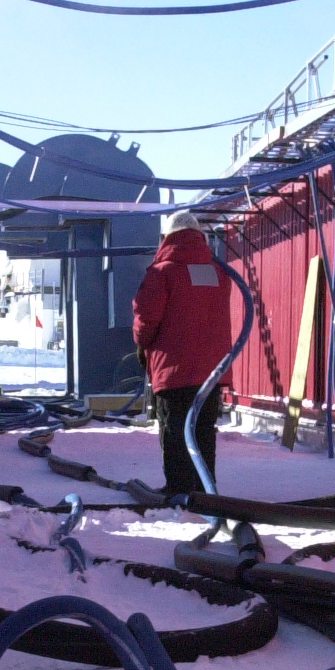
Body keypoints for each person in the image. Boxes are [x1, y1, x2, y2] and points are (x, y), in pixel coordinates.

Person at [131, 210, 233, 497]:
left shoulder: (162, 272)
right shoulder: (218, 271)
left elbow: (145, 318)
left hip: (174, 369)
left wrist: (143, 345)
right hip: (211, 369)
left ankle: (178, 490)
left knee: (174, 428)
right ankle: (204, 489)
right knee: (203, 428)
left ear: (167, 237)